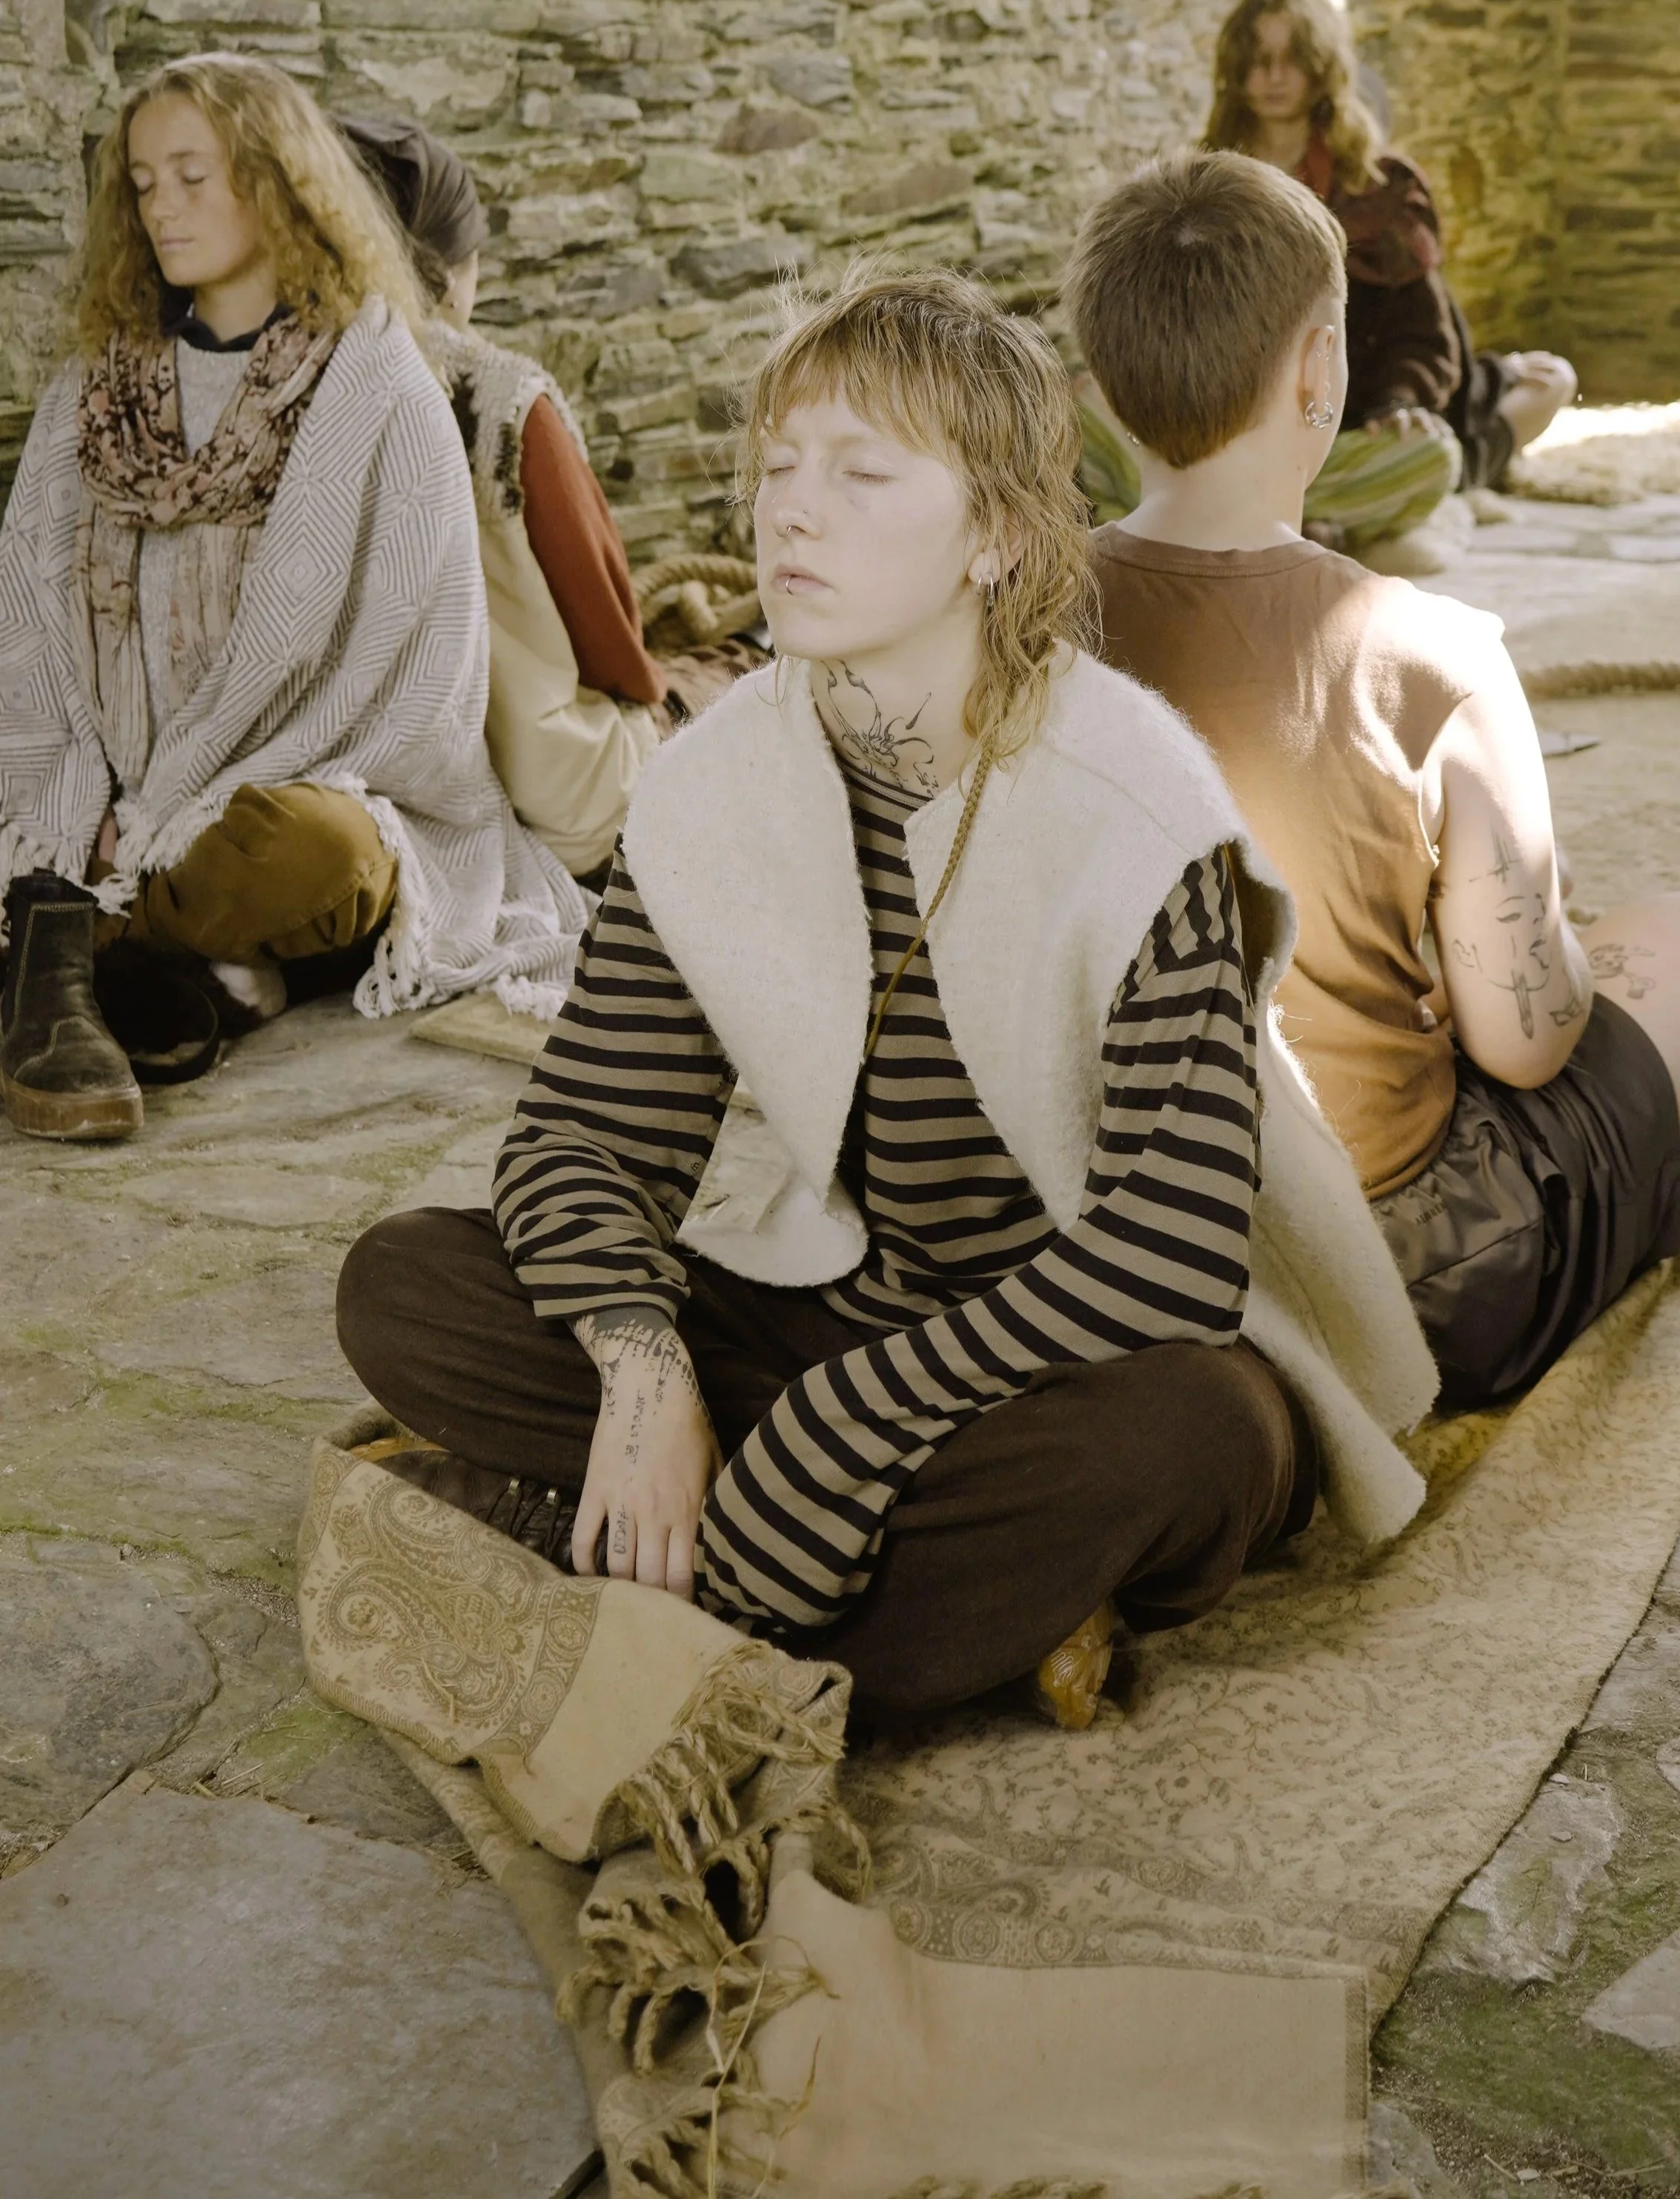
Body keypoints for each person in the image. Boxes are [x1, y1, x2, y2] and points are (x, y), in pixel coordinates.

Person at [333, 268, 1438, 1727]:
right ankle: (936, 1604)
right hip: (842, 1304)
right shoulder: (719, 782)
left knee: (1192, 1447)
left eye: (859, 474)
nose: (789, 512)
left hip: (1086, 1348)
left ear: (994, 536)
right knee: (406, 1281)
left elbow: (1165, 1255)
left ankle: (669, 1596)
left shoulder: (1134, 800)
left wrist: (841, 1428)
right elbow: (579, 1136)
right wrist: (645, 1364)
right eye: (778, 468)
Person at [1076, 150, 1680, 1412]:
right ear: (1319, 372)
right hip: (1392, 1275)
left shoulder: (1010, 625)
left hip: (1090, 1255)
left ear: (1097, 388)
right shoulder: (1438, 654)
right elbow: (1525, 1044)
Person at [0, 52, 588, 1144]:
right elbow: (30, 615)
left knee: (317, 856)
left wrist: (172, 809)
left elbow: (420, 673)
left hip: (281, 790)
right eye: (142, 182)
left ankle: (65, 946)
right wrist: (82, 798)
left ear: (277, 180)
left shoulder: (376, 388)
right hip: (108, 782)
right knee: (44, 819)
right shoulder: (93, 388)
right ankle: (185, 977)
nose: (162, 207)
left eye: (193, 175)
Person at [340, 117, 671, 881]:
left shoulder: (295, 382)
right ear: (456, 265)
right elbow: (608, 629)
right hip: (535, 785)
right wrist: (653, 694)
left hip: (359, 777)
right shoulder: (503, 400)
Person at [1204, 0, 1576, 555]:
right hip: (1261, 419)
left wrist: (1400, 403)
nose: (1273, 78)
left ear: (1321, 66)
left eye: (1292, 60)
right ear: (1236, 69)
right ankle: (1373, 502)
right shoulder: (1211, 184)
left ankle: (1417, 485)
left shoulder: (1383, 184)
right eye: (1257, 61)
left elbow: (1424, 332)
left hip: (1377, 406)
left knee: (1551, 381)